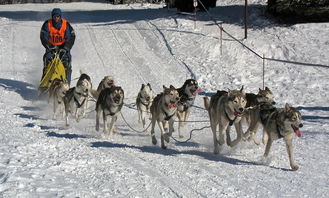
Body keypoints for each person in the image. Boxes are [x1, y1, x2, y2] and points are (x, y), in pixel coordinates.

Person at [40, 8, 75, 85]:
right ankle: (45, 83)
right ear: (52, 16)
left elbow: (71, 37)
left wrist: (66, 47)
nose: (56, 18)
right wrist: (49, 45)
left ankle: (67, 84)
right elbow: (43, 37)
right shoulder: (47, 24)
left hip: (63, 46)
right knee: (48, 62)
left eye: (58, 16)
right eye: (54, 16)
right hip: (51, 46)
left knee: (66, 63)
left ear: (60, 17)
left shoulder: (66, 24)